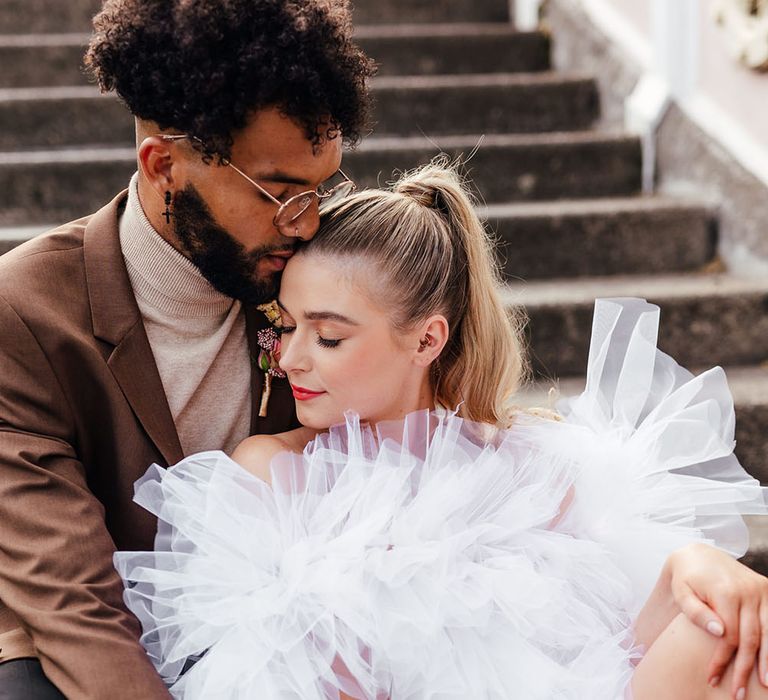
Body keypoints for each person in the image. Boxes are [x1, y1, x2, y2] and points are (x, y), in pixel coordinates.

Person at [116, 161, 768, 700]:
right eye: (286, 326)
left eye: (330, 335)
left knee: (735, 633)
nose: (290, 359)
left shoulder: (531, 471)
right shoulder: (273, 474)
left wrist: (692, 560)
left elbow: (622, 656)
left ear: (427, 339)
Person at [0, 0, 374, 697]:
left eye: (322, 190)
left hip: (279, 628)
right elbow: (70, 598)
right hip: (81, 646)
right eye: (282, 193)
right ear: (163, 164)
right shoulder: (22, 312)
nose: (309, 223)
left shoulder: (312, 280)